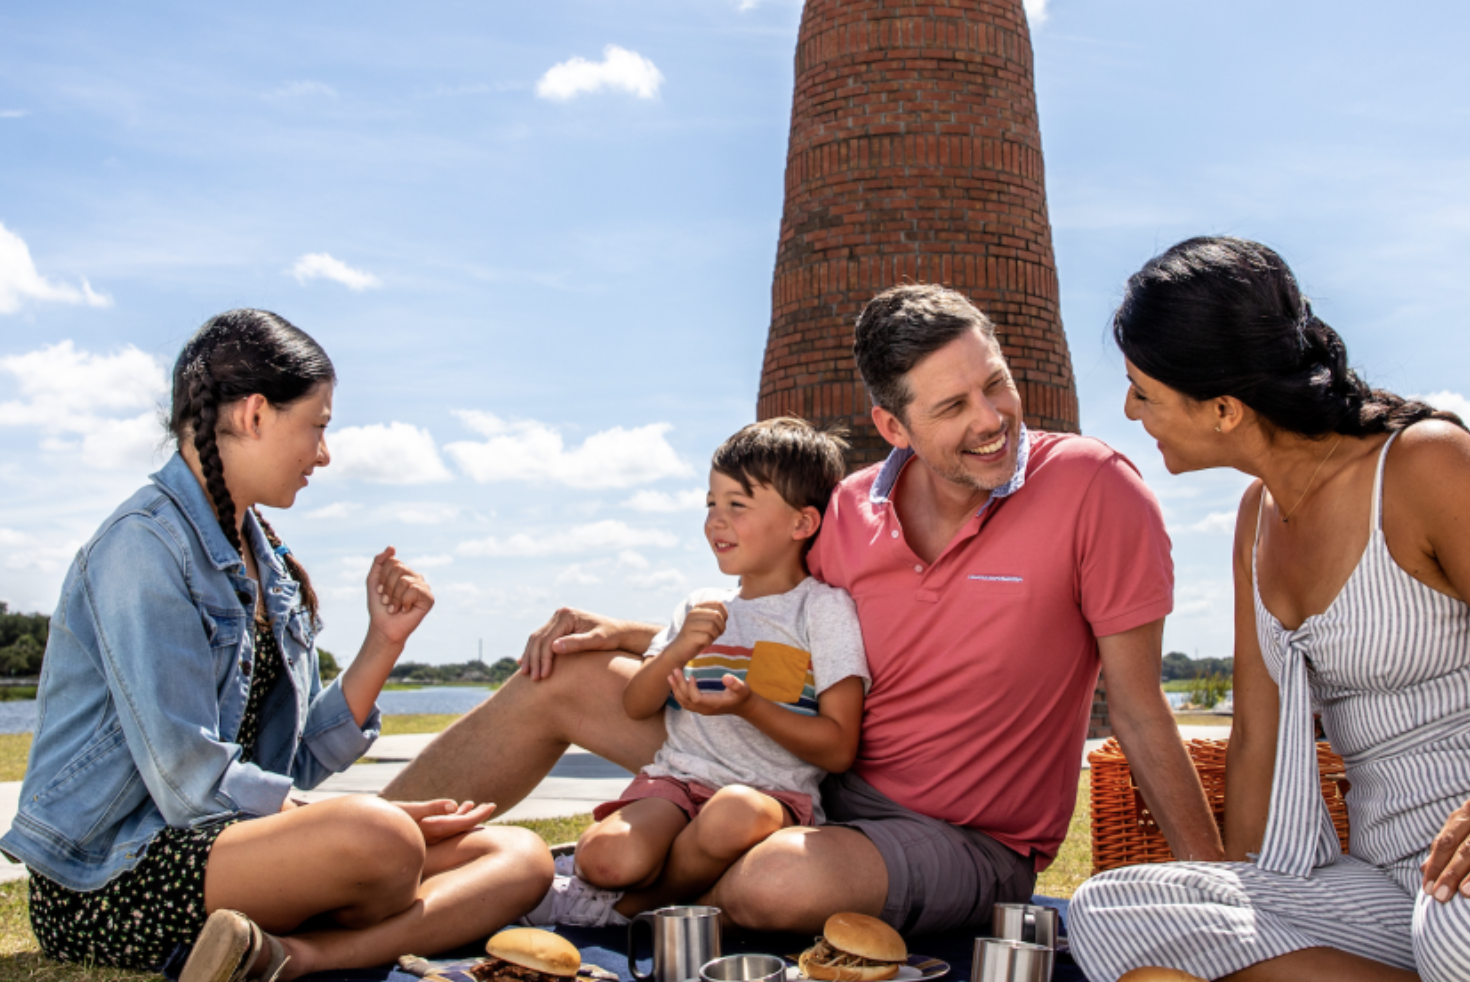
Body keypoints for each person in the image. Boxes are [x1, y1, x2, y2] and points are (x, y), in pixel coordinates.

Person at [387, 284, 1224, 935]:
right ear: (891, 425)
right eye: (952, 407)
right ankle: (354, 859)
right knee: (562, 675)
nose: (992, 421)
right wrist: (634, 633)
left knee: (776, 880)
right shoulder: (852, 509)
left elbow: (1142, 710)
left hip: (963, 838)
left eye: (994, 385)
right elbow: (773, 622)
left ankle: (616, 897)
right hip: (811, 773)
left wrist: (1225, 899)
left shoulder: (1092, 488)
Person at [1068, 237, 1470, 982]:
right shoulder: (1256, 520)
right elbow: (1258, 739)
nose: (1129, 412)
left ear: (1225, 409)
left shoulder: (1428, 465)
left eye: (1143, 392)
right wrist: (1245, 901)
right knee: (1109, 913)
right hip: (1397, 884)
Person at [0, 310, 553, 982]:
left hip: (232, 848)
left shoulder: (268, 562)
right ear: (255, 414)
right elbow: (187, 780)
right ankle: (342, 900)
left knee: (519, 856)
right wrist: (361, 825)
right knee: (381, 839)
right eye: (318, 426)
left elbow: (291, 768)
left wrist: (384, 642)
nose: (324, 453)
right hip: (112, 872)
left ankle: (289, 955)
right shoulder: (143, 547)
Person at [537, 418, 870, 926]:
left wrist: (749, 706)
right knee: (605, 858)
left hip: (770, 797)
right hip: (678, 783)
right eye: (711, 504)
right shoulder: (700, 605)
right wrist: (675, 651)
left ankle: (633, 909)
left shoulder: (822, 612)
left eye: (738, 505)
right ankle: (638, 890)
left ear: (802, 524)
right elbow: (637, 704)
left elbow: (840, 747)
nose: (716, 520)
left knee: (733, 812)